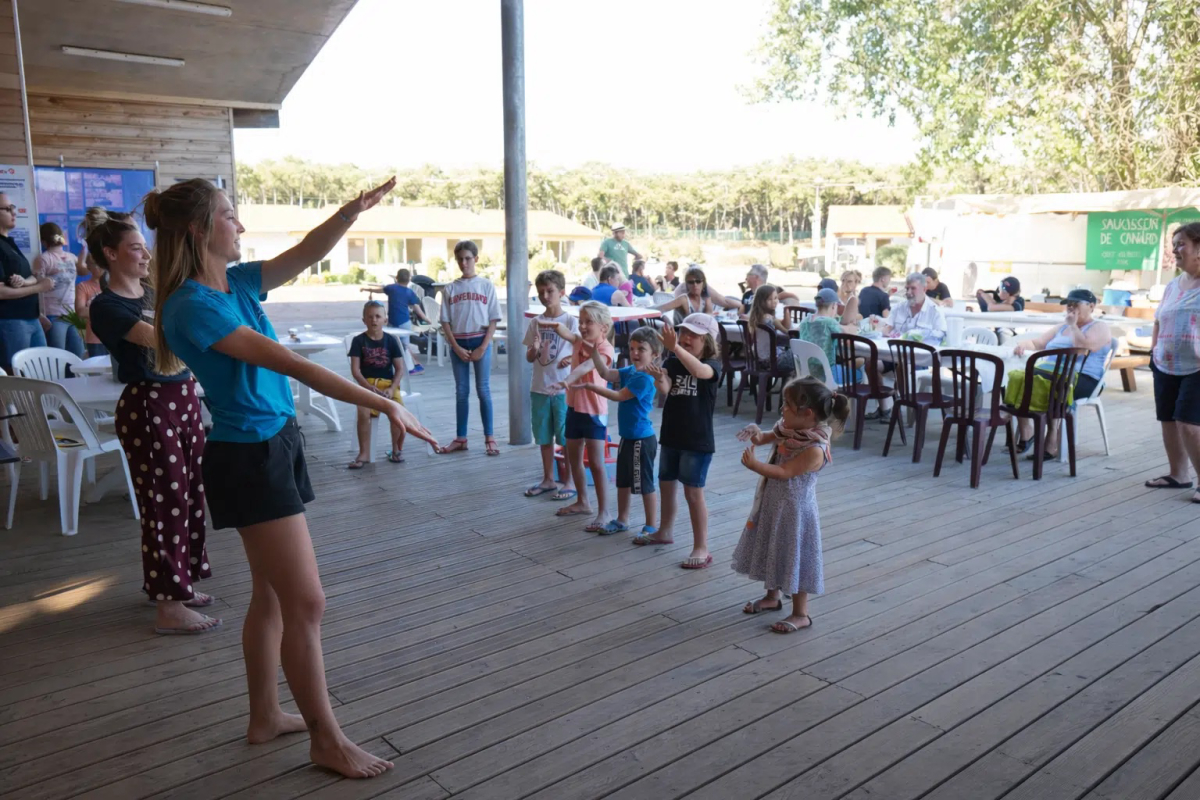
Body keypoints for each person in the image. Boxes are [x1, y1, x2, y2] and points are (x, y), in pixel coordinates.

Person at [150, 176, 435, 779]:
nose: (241, 226)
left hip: (275, 443)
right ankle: (325, 739)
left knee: (274, 595)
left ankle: (264, 716)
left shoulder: (239, 282)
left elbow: (305, 253)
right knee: (308, 601)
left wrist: (349, 212)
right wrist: (383, 403)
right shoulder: (191, 305)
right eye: (231, 216)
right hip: (248, 456)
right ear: (201, 229)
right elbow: (293, 365)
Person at [86, 210, 219, 636]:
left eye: (145, 247)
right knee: (165, 503)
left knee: (192, 495)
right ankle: (169, 604)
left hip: (182, 398)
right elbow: (161, 339)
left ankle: (178, 584)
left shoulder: (153, 292)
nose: (145, 254)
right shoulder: (106, 305)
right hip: (148, 404)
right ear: (110, 254)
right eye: (135, 248)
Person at [732, 377, 850, 633]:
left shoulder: (815, 448)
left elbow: (784, 471)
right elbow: (763, 438)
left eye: (786, 404)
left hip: (796, 512)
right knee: (773, 547)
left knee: (794, 555)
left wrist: (755, 466)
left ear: (806, 413)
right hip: (775, 504)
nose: (781, 409)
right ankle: (772, 597)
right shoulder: (788, 429)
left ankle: (801, 613)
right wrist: (755, 431)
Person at [635, 314, 722, 570]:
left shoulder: (712, 364)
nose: (686, 338)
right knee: (666, 486)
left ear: (707, 340)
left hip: (697, 440)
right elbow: (667, 389)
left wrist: (675, 349)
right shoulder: (673, 360)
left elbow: (700, 371)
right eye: (684, 332)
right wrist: (658, 376)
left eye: (693, 335)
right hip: (672, 434)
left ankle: (701, 546)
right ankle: (664, 530)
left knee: (693, 493)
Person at [575, 326, 662, 537]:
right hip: (628, 438)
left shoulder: (644, 378)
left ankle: (651, 525)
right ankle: (622, 519)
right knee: (623, 481)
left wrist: (591, 387)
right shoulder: (631, 371)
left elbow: (618, 396)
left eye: (641, 349)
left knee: (644, 484)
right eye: (632, 348)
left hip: (642, 439)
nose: (635, 353)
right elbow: (606, 373)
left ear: (655, 355)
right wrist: (595, 352)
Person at [1011, 289, 1112, 459]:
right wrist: (1023, 344)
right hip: (1050, 373)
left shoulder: (1100, 327)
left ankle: (1051, 439)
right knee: (1018, 378)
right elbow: (1038, 343)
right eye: (1069, 305)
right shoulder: (1062, 326)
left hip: (1083, 378)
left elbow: (1082, 349)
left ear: (1092, 306)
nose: (1071, 309)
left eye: (1076, 305)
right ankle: (1026, 431)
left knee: (1046, 384)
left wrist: (1073, 326)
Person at [544, 301, 616, 531]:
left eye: (589, 322)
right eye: (581, 321)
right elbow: (568, 334)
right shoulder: (579, 340)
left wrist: (567, 380)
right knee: (572, 457)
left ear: (603, 327)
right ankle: (583, 501)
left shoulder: (604, 350)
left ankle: (604, 511)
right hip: (574, 407)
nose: (583, 326)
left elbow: (585, 368)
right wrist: (556, 326)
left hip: (594, 412)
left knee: (595, 462)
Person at [1146, 222, 1200, 503]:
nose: (1175, 249)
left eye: (1182, 244)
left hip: (1197, 367)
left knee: (1188, 423)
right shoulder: (1172, 285)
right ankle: (1179, 474)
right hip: (1165, 363)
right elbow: (1158, 319)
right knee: (1168, 418)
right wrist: (1153, 352)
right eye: (1174, 243)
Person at [438, 239, 502, 456]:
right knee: (462, 392)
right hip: (459, 344)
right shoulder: (450, 288)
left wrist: (483, 347)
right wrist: (454, 346)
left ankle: (490, 437)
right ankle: (461, 437)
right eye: (459, 259)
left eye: (467, 258)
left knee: (483, 390)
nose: (464, 263)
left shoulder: (486, 285)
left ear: (476, 259)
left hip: (480, 341)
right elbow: (445, 321)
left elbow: (493, 319)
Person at [522, 269, 578, 501]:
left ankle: (570, 480)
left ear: (562, 292)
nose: (546, 295)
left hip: (563, 388)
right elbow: (529, 356)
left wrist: (570, 358)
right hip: (540, 387)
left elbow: (581, 348)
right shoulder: (536, 322)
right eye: (541, 291)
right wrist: (534, 349)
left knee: (566, 437)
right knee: (544, 437)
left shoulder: (570, 321)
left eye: (551, 291)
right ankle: (548, 478)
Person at [347, 300, 408, 468]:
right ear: (364, 320)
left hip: (388, 385)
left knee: (396, 411)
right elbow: (356, 371)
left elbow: (400, 369)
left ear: (385, 320)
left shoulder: (391, 341)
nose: (374, 320)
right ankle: (364, 453)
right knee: (363, 412)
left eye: (378, 316)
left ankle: (396, 449)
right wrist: (368, 387)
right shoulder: (358, 341)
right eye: (370, 317)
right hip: (367, 385)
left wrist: (392, 388)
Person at [0, 192, 52, 372]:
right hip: (11, 320)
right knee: (19, 377)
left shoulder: (9, 243)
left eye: (13, 208)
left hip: (31, 318)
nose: (14, 212)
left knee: (41, 371)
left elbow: (30, 276)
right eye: (7, 209)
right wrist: (39, 287)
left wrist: (37, 312)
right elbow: (1, 292)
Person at [33, 222, 85, 357]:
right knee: (58, 357)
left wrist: (85, 248)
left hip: (71, 313)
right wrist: (40, 313)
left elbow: (83, 270)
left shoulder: (71, 257)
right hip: (53, 315)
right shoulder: (44, 259)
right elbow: (38, 288)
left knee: (76, 355)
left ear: (43, 241)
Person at [796, 288, 860, 384]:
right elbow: (848, 332)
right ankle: (847, 398)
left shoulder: (806, 320)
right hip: (826, 375)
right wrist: (853, 325)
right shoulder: (829, 322)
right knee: (860, 372)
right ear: (834, 306)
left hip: (807, 373)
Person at [884, 272, 948, 344]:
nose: (908, 292)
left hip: (922, 354)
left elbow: (942, 336)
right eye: (907, 288)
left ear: (924, 289)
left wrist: (920, 334)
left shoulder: (935, 312)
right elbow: (887, 328)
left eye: (913, 288)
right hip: (896, 353)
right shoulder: (898, 308)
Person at [747, 284, 794, 372]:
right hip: (771, 361)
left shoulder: (757, 317)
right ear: (761, 301)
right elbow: (787, 332)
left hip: (758, 359)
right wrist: (787, 311)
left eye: (776, 298)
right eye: (769, 299)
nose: (774, 301)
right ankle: (789, 383)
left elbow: (783, 325)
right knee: (798, 354)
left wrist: (785, 312)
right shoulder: (769, 319)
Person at [363, 268, 429, 330]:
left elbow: (379, 290)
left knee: (392, 341)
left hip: (392, 322)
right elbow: (416, 307)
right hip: (404, 323)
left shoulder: (391, 288)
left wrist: (368, 290)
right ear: (409, 280)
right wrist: (426, 319)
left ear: (397, 278)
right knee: (405, 341)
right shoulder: (409, 292)